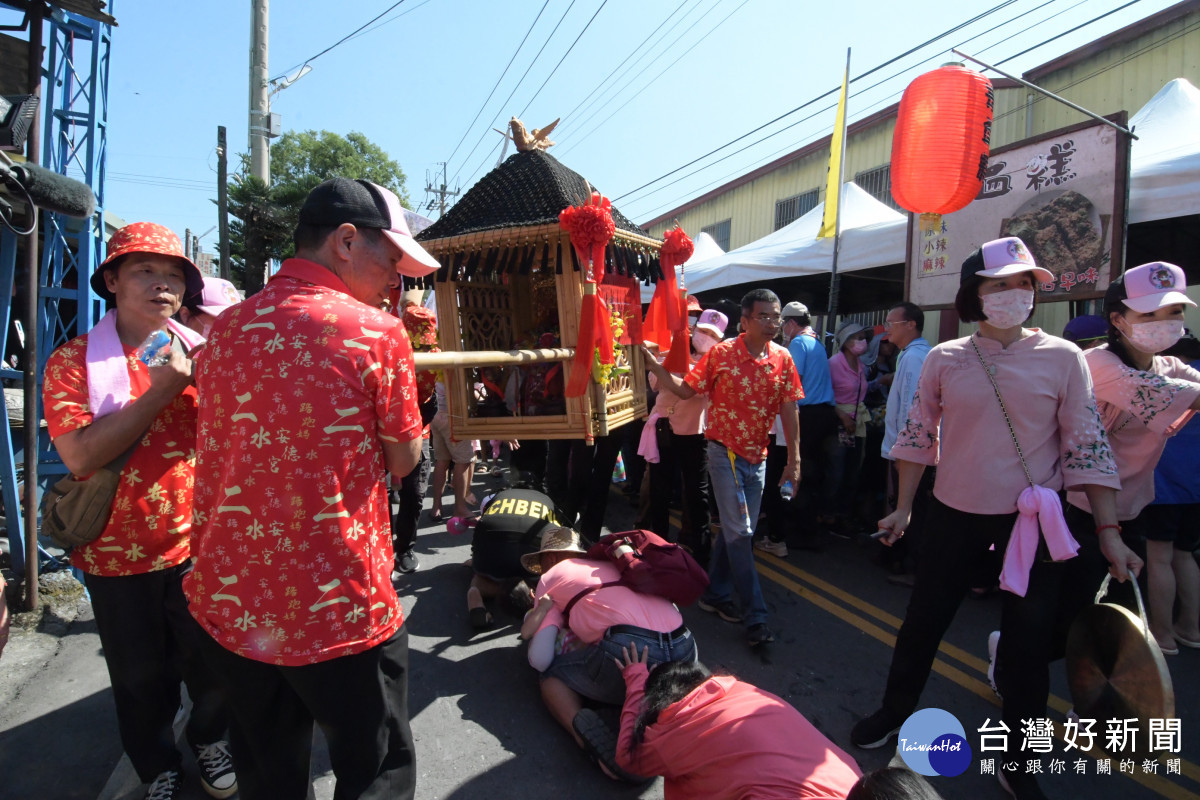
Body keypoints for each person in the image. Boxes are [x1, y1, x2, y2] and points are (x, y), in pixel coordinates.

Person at [850, 237, 1136, 800]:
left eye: (1025, 283)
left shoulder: (1063, 357)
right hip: (952, 517)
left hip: (1029, 528)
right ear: (973, 294)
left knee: (1027, 648)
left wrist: (1107, 531)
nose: (1015, 294)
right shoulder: (944, 357)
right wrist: (904, 507)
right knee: (922, 624)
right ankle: (893, 710)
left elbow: (1087, 444)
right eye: (1000, 284)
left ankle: (1017, 760)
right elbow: (917, 437)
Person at [185, 177, 438, 800]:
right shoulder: (376, 334)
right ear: (347, 241)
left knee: (267, 773)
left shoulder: (221, 333)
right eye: (392, 261)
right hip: (337, 603)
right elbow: (405, 460)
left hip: (236, 598)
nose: (396, 280)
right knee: (374, 768)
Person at [42, 222, 235, 800]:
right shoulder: (73, 362)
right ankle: (157, 767)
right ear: (112, 281)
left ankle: (209, 738)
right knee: (137, 681)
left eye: (174, 274)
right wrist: (159, 392)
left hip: (197, 549)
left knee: (216, 668)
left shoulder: (207, 355)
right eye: (144, 271)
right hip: (112, 558)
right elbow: (78, 455)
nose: (162, 284)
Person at [643, 288, 803, 648]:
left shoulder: (783, 358)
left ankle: (715, 594)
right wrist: (654, 366)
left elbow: (790, 408)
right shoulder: (721, 354)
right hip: (723, 455)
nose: (772, 323)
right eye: (764, 316)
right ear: (744, 321)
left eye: (776, 316)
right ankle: (756, 616)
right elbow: (686, 391)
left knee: (734, 532)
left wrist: (794, 459)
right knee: (741, 533)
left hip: (758, 460)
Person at [1062, 262, 1200, 655]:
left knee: (1118, 622)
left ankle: (1098, 705)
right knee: (1068, 617)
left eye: (1174, 312)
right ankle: (1006, 660)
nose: (1166, 322)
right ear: (1118, 320)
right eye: (1150, 314)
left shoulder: (1169, 366)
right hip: (1077, 506)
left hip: (1132, 509)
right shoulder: (1098, 364)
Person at [520, 526, 697, 781]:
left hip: (632, 650)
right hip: (685, 647)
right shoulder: (614, 564)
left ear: (548, 558)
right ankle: (654, 718)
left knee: (551, 677)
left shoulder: (552, 577)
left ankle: (587, 739)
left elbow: (540, 659)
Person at [612, 643, 862, 799]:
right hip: (851, 783)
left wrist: (635, 681)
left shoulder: (679, 727)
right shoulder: (741, 691)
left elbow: (627, 756)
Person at [643, 309, 725, 561]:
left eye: (712, 334)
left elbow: (686, 391)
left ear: (720, 340)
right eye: (703, 331)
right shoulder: (673, 353)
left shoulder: (715, 363)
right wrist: (663, 364)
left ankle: (699, 552)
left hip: (693, 432)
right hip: (662, 428)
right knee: (659, 490)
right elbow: (655, 384)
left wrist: (659, 367)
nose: (705, 337)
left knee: (696, 493)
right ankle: (656, 545)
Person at [1144, 331, 1200, 653]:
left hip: (1164, 483)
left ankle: (1162, 634)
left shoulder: (1168, 380)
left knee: (1159, 558)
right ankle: (1190, 628)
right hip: (1196, 485)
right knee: (1185, 554)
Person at [879, 302, 933, 585]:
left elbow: (911, 412)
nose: (887, 328)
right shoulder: (913, 355)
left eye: (892, 322)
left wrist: (904, 452)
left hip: (909, 451)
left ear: (910, 324)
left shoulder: (913, 358)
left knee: (910, 508)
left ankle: (912, 566)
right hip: (910, 449)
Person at [779, 301, 837, 548]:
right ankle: (811, 526)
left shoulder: (798, 344)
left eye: (783, 323)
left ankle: (800, 528)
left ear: (791, 323)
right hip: (825, 415)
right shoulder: (818, 343)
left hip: (807, 416)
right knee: (815, 473)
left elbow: (793, 381)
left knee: (797, 467)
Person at [466, 487, 560, 629]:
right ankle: (534, 593)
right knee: (548, 575)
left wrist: (476, 560)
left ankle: (476, 594)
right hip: (533, 557)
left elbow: (481, 528)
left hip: (494, 551)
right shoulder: (546, 499)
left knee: (478, 581)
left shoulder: (499, 496)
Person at [391, 302, 439, 573]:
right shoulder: (390, 349)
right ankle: (383, 547)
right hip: (385, 431)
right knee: (382, 493)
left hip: (419, 430)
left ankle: (405, 548)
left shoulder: (436, 354)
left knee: (415, 493)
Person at [827, 321, 871, 535]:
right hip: (841, 423)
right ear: (845, 342)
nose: (863, 341)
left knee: (853, 471)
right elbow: (826, 395)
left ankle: (843, 515)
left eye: (864, 337)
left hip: (857, 423)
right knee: (837, 470)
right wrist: (843, 417)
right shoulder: (834, 363)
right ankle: (829, 514)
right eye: (858, 337)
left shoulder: (862, 365)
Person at [177, 276, 242, 338]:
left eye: (231, 320)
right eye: (219, 318)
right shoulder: (170, 346)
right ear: (185, 315)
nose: (227, 327)